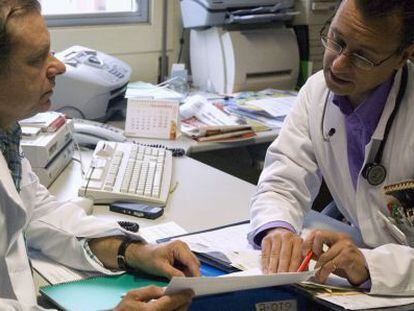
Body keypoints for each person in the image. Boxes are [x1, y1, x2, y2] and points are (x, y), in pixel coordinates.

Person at [0, 1, 200, 310]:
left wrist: (134, 252)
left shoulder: (6, 133)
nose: (59, 66)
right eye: (37, 58)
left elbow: (39, 216)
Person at [249, 0, 414, 296]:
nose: (338, 63)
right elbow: (284, 180)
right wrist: (278, 229)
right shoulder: (317, 92)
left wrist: (370, 265)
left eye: (363, 57)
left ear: (404, 55)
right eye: (336, 40)